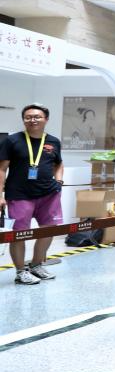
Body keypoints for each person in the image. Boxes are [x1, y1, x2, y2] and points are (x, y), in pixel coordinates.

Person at [0, 104, 63, 285]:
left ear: (46, 119)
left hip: (49, 194)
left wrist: (59, 181)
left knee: (48, 231)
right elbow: (2, 169)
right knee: (20, 234)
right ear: (24, 120)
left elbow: (59, 163)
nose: (32, 120)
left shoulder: (53, 141)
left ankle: (36, 265)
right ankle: (21, 272)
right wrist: (0, 195)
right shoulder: (12, 141)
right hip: (19, 195)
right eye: (28, 117)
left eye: (37, 116)